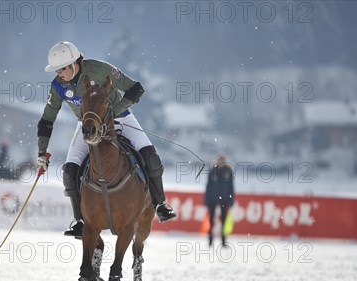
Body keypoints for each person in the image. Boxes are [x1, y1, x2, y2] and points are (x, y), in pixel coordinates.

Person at [36, 41, 176, 238]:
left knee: (150, 156)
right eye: (56, 70)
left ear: (74, 62)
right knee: (69, 171)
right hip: (86, 125)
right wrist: (42, 153)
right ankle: (80, 221)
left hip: (121, 118)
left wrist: (114, 112)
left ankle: (161, 204)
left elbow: (136, 88)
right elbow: (47, 120)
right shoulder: (58, 86)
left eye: (61, 68)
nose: (59, 73)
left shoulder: (100, 69)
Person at [204, 154, 235, 247]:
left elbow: (231, 186)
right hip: (213, 199)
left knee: (224, 221)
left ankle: (224, 241)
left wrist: (231, 199)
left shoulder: (228, 171)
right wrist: (206, 199)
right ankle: (210, 240)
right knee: (211, 220)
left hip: (224, 199)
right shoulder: (213, 170)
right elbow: (208, 186)